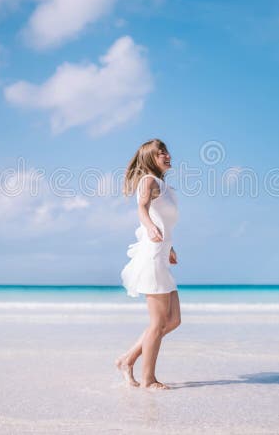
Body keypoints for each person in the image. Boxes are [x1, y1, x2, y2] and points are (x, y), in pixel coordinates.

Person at [115, 138, 181, 390]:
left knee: (173, 320)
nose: (166, 155)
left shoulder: (166, 188)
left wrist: (170, 246)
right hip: (152, 257)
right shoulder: (148, 181)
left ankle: (127, 359)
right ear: (149, 159)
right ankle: (148, 379)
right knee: (157, 323)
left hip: (162, 255)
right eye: (159, 153)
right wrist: (150, 227)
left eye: (166, 150)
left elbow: (163, 220)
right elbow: (143, 209)